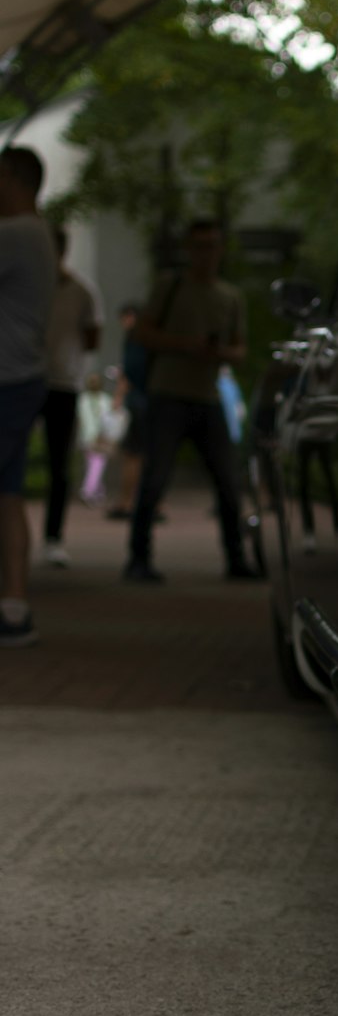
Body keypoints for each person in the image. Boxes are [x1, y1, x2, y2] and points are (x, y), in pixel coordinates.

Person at [124, 219, 257, 582]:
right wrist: (185, 345)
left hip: (207, 396)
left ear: (220, 249)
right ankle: (138, 559)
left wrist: (217, 352)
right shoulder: (171, 286)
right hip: (167, 393)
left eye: (212, 245)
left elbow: (240, 350)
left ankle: (236, 559)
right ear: (188, 250)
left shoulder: (230, 296)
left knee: (228, 482)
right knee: (155, 479)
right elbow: (143, 332)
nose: (206, 253)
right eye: (199, 246)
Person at [0, 146, 57, 646]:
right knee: (9, 494)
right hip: (24, 377)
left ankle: (15, 605)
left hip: (6, 380)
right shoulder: (38, 233)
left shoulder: (15, 234)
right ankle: (14, 604)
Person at [38, 225, 103, 565]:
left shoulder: (80, 291)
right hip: (26, 380)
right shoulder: (27, 287)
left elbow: (94, 335)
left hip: (63, 383)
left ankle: (53, 537)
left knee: (59, 465)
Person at [106, 302, 148, 520]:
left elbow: (130, 371)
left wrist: (119, 396)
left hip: (140, 403)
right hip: (147, 402)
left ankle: (127, 502)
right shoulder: (146, 338)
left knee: (134, 454)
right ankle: (142, 502)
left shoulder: (136, 339)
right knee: (142, 454)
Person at [76, 371, 120, 505]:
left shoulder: (106, 399)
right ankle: (99, 493)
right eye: (91, 380)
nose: (93, 383)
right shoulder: (82, 399)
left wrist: (108, 436)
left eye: (95, 380)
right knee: (93, 465)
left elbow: (111, 419)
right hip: (87, 437)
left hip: (102, 437)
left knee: (97, 463)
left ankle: (87, 491)